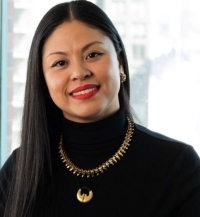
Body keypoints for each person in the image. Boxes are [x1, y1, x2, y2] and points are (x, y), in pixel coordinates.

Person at [0, 0, 200, 216]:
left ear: (120, 62)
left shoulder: (178, 166)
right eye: (60, 63)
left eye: (93, 55)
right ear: (42, 80)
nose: (79, 72)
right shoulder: (18, 171)